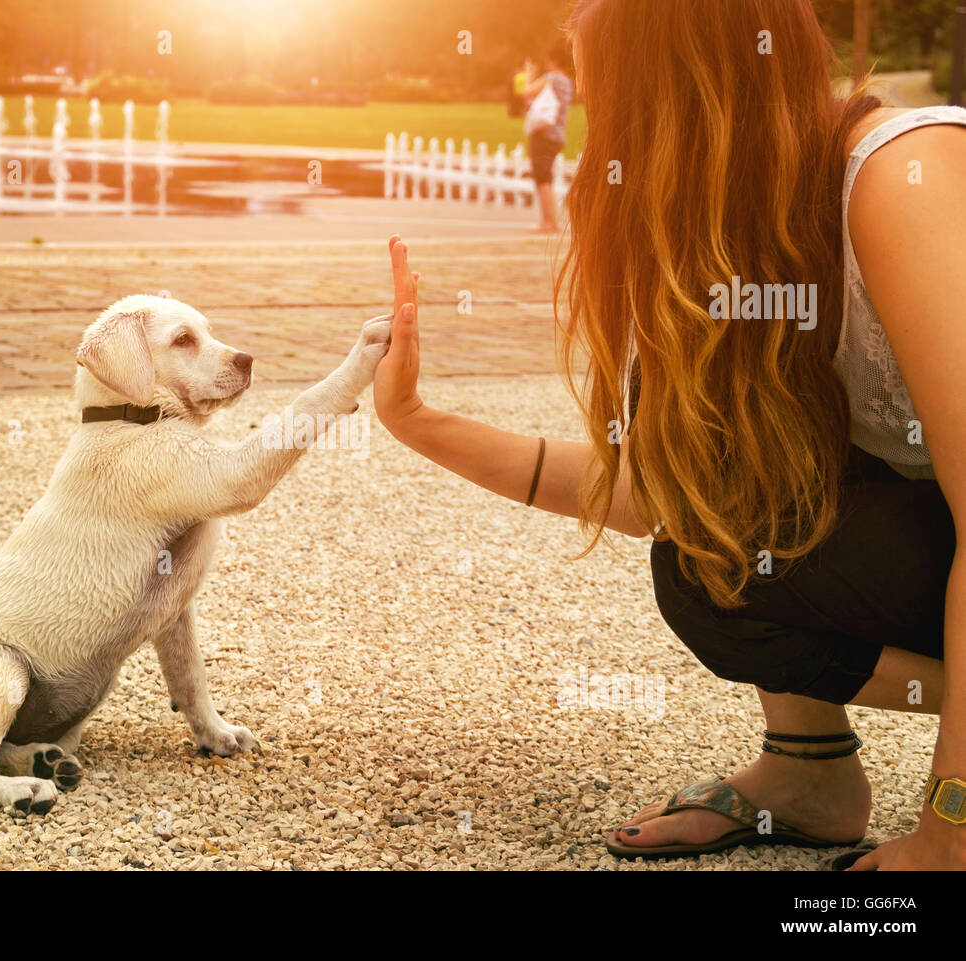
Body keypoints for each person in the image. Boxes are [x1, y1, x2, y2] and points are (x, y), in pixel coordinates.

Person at [372, 0, 966, 870]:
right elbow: (663, 499)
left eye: (610, 108)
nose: (595, 144)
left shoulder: (902, 175)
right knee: (711, 556)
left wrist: (950, 829)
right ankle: (810, 777)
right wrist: (416, 422)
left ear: (682, 102)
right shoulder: (755, 242)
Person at [525, 44, 573, 233]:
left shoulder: (551, 78)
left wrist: (529, 73)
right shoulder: (567, 82)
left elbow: (526, 91)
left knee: (542, 178)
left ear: (553, 60)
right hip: (558, 135)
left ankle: (549, 222)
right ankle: (549, 221)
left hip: (544, 134)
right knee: (546, 177)